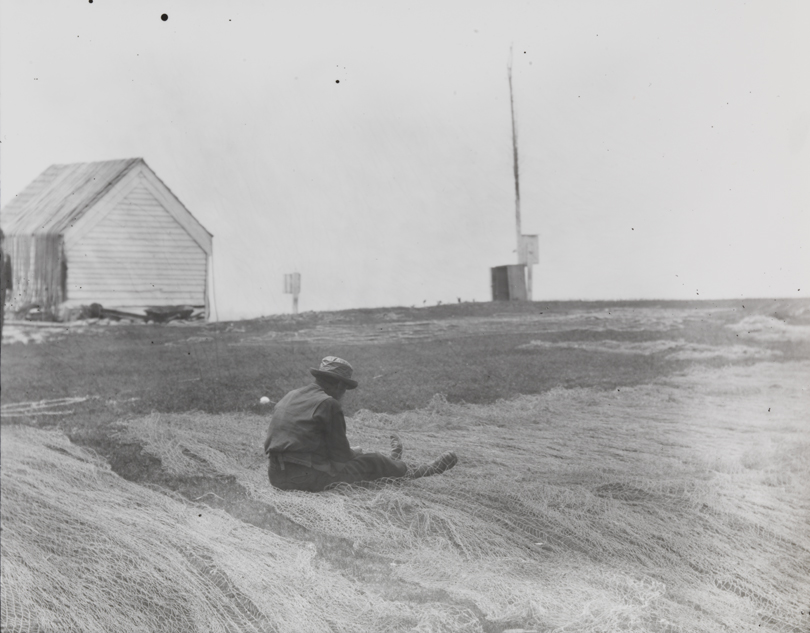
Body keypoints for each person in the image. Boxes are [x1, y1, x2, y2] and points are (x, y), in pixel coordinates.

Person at [264, 356, 458, 492]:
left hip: (276, 476)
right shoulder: (328, 404)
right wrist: (356, 453)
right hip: (305, 478)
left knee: (363, 458)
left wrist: (350, 452)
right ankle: (423, 469)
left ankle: (391, 463)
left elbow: (303, 440)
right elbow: (340, 460)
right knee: (372, 460)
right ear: (339, 385)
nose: (344, 394)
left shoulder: (291, 395)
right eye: (345, 389)